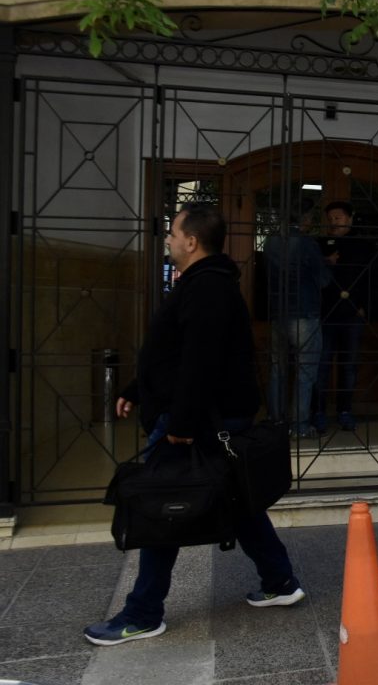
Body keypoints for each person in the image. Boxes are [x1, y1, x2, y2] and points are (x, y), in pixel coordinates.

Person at [85, 203, 304, 646]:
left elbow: (198, 364)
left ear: (192, 240)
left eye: (172, 231)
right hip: (201, 413)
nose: (167, 238)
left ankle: (143, 613)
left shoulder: (208, 289)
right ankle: (280, 581)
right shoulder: (206, 284)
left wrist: (180, 422)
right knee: (238, 497)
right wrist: (136, 386)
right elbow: (173, 352)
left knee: (160, 506)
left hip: (198, 418)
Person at [264, 205, 331, 439]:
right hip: (304, 312)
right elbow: (323, 279)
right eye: (311, 217)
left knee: (277, 368)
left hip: (278, 312)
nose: (311, 222)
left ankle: (276, 420)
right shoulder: (307, 243)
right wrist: (327, 263)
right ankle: (300, 425)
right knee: (305, 370)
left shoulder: (270, 243)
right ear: (303, 218)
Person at [314, 200, 375, 432]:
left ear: (349, 218)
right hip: (325, 314)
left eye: (338, 217)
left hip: (352, 314)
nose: (333, 222)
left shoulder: (364, 246)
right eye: (330, 218)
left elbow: (374, 278)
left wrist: (365, 306)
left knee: (348, 365)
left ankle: (345, 410)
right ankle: (318, 411)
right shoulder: (320, 244)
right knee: (322, 364)